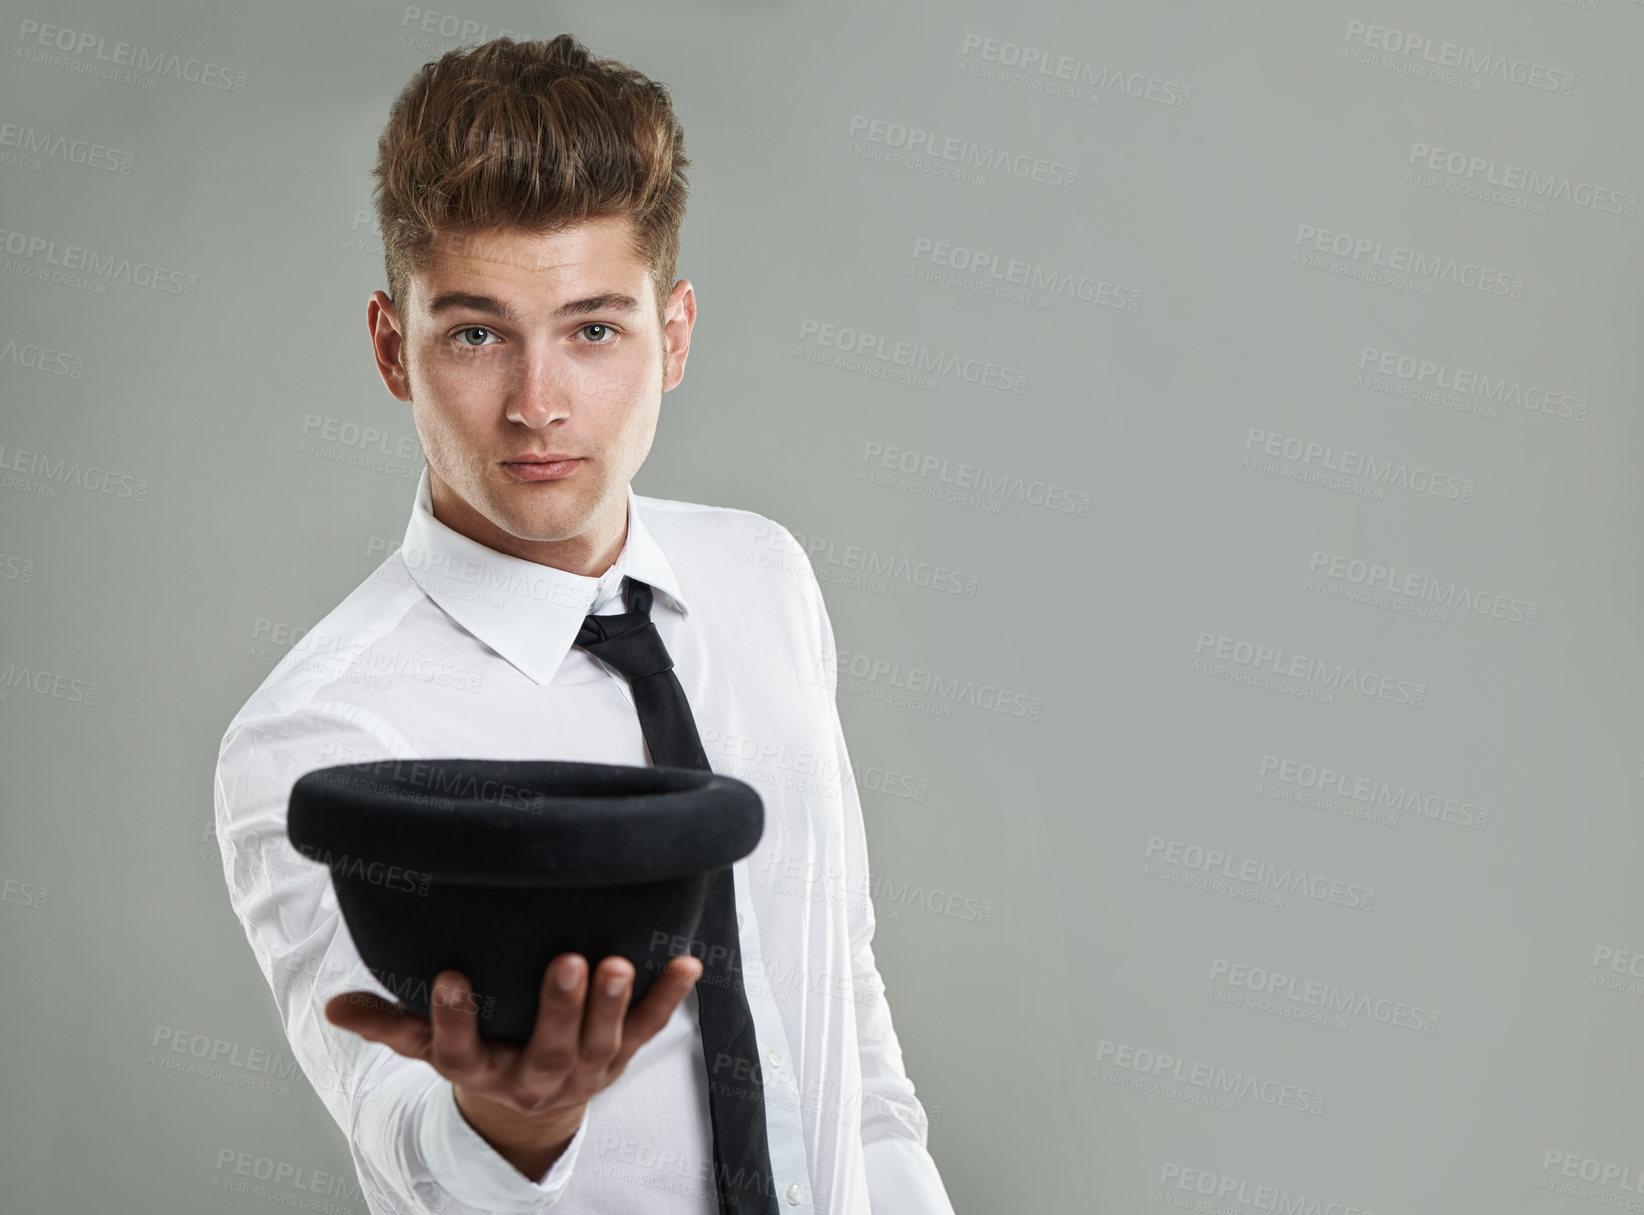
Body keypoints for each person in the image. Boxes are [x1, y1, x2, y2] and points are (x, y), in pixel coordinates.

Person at [212, 33, 957, 1215]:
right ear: (391, 348)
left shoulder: (763, 577)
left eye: (594, 329)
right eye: (476, 334)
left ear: (675, 335)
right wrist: (508, 1124)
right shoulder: (317, 735)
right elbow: (394, 1125)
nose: (538, 404)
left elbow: (840, 1010)